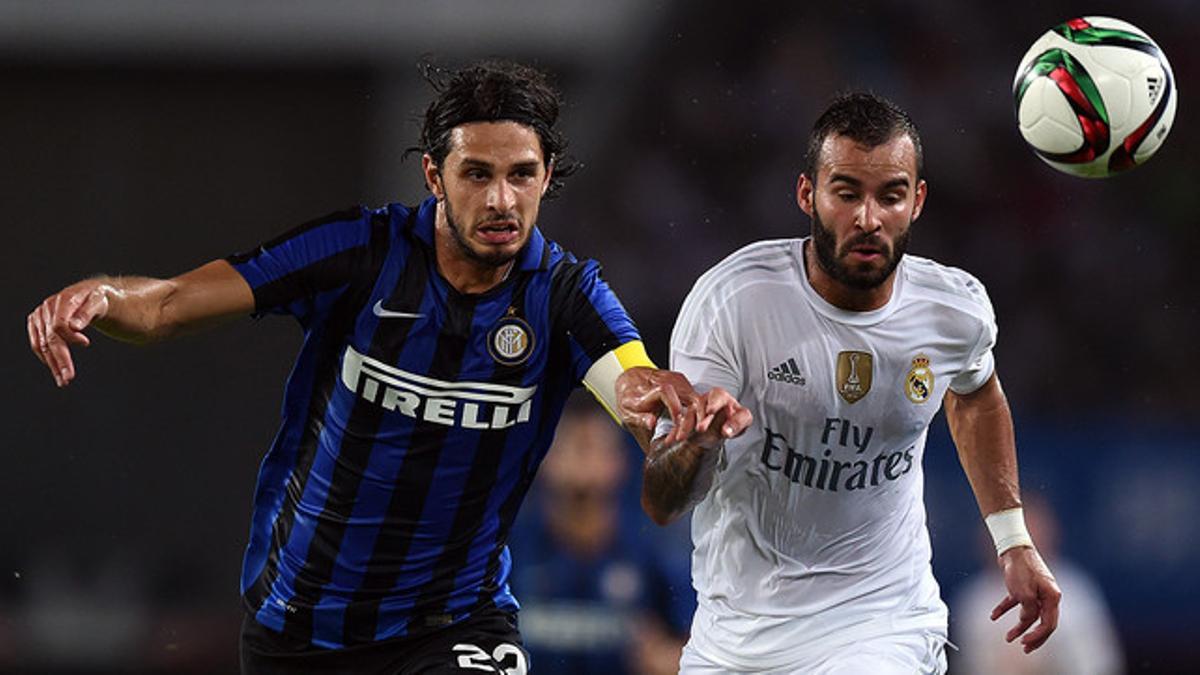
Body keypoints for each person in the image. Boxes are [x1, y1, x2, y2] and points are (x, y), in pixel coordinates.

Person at [26, 60, 699, 675]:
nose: (501, 200)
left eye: (521, 174)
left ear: (546, 176)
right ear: (435, 176)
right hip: (300, 627)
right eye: (477, 174)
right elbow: (171, 304)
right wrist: (105, 297)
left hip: (453, 622)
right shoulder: (360, 253)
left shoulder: (566, 297)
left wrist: (677, 423)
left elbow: (638, 397)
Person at [616, 92, 1062, 674]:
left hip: (883, 623)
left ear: (918, 200)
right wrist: (698, 443)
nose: (868, 218)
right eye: (847, 193)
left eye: (891, 195)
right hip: (738, 639)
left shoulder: (955, 310)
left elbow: (977, 396)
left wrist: (1013, 539)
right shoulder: (734, 303)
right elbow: (662, 503)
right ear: (808, 194)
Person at [508, 393, 695, 674]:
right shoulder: (508, 552)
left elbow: (698, 648)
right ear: (544, 458)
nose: (583, 460)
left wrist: (669, 661)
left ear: (619, 463)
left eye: (594, 447)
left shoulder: (650, 555)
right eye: (571, 446)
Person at [952, 493, 1124, 674]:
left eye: (1030, 530)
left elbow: (1099, 666)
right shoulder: (973, 600)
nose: (1020, 543)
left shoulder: (1076, 594)